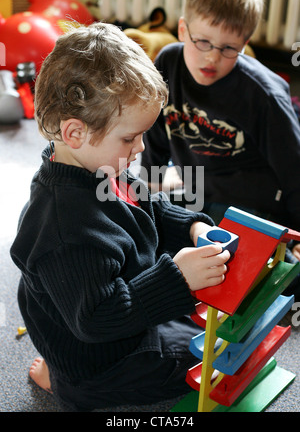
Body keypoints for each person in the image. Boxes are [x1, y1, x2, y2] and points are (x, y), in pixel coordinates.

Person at [10, 22, 230, 412]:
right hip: (102, 358)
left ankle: (63, 373)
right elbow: (97, 319)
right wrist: (176, 278)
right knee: (205, 359)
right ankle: (71, 387)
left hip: (120, 310)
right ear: (75, 133)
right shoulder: (65, 229)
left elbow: (149, 206)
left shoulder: (99, 165)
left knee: (199, 321)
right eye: (129, 138)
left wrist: (191, 225)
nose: (140, 148)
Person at [140, 0, 300, 289]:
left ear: (245, 42)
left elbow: (295, 170)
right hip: (199, 188)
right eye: (202, 42)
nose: (211, 58)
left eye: (228, 48)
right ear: (183, 29)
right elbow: (154, 133)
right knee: (145, 235)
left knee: (253, 283)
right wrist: (146, 189)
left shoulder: (264, 95)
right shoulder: (168, 63)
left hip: (254, 204)